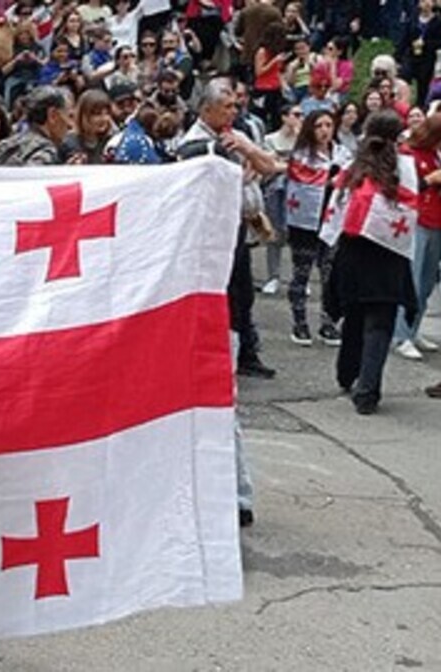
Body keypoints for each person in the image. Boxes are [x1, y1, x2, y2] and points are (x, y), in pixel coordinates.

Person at [176, 80, 285, 524]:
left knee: (226, 396)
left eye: (236, 106)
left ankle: (235, 494)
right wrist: (240, 171)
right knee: (217, 397)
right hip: (209, 276)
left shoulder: (235, 137)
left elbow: (271, 166)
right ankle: (228, 493)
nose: (233, 112)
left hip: (234, 268)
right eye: (225, 106)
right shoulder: (195, 149)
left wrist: (247, 151)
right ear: (205, 108)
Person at [327, 111, 420, 414]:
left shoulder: (355, 165)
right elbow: (411, 207)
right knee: (379, 324)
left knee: (354, 317)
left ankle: (347, 374)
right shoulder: (404, 167)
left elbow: (337, 205)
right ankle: (367, 392)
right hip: (388, 255)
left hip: (353, 252)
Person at [284, 108, 350, 347]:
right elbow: (305, 177)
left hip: (331, 221)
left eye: (328, 125)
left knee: (329, 274)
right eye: (319, 126)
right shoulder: (301, 155)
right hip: (304, 223)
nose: (324, 130)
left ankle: (328, 322)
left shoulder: (342, 154)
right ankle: (299, 322)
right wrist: (331, 179)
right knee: (302, 272)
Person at [392, 112, 441, 359]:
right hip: (417, 221)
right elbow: (404, 189)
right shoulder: (409, 154)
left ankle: (413, 328)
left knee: (427, 282)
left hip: (436, 221)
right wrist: (431, 179)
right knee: (412, 280)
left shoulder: (435, 155)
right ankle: (400, 335)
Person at [260, 104, 303, 295]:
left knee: (298, 235)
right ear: (284, 117)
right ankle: (273, 276)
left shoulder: (303, 140)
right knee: (275, 233)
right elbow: (269, 164)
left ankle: (300, 277)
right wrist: (290, 165)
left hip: (299, 191)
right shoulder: (270, 139)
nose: (299, 118)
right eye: (296, 114)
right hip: (276, 190)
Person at [0, 85, 73, 166]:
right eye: (69, 116)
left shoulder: (5, 145)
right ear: (53, 115)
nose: (70, 125)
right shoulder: (46, 153)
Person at [59, 88, 114, 164]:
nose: (104, 119)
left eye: (107, 113)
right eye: (97, 114)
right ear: (82, 116)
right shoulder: (69, 143)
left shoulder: (111, 142)